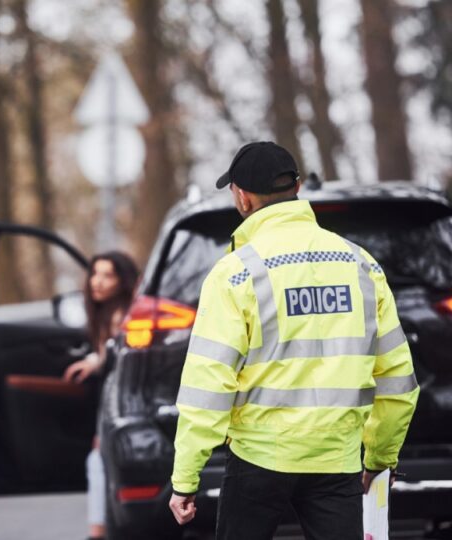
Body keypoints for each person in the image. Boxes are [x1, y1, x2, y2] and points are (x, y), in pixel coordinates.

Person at [168, 141, 419, 539]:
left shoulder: (235, 274)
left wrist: (185, 478)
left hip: (258, 460)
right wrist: (379, 457)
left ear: (243, 198)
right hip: (336, 461)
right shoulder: (361, 265)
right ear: (297, 187)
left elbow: (208, 384)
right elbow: (397, 378)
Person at [63, 251, 139, 540]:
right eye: (95, 273)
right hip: (118, 406)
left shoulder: (123, 315)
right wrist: (95, 360)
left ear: (123, 281)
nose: (97, 281)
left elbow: (116, 365)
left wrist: (95, 361)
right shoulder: (108, 313)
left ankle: (97, 533)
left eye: (108, 275)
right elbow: (108, 356)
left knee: (97, 462)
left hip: (127, 406)